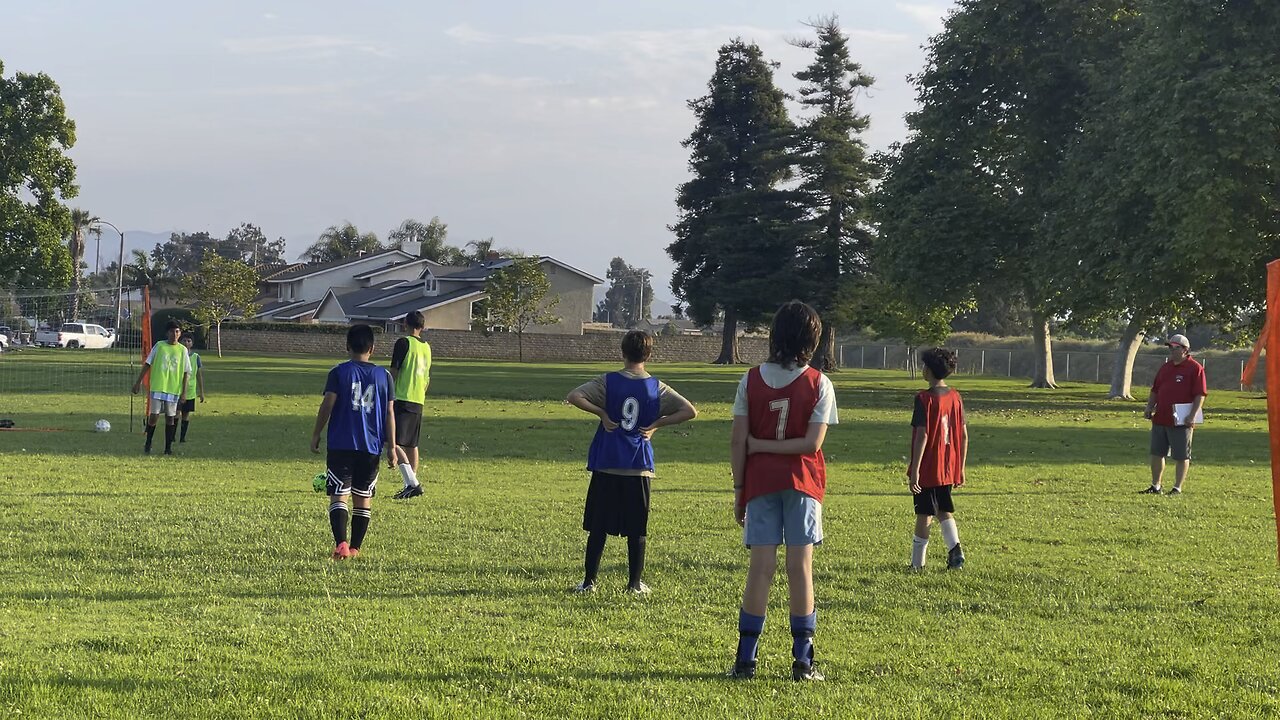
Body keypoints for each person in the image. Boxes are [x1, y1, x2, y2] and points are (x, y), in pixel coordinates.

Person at [728, 301, 837, 682]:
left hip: (759, 484)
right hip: (803, 485)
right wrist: (763, 448)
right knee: (800, 569)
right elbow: (811, 444)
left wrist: (740, 486)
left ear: (774, 335)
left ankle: (746, 660)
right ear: (813, 339)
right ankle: (803, 661)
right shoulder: (820, 383)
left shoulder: (750, 379)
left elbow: (739, 440)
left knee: (760, 570)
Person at [566, 330, 697, 594]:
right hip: (638, 464)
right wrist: (657, 424)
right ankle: (634, 584)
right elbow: (689, 411)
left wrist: (602, 412)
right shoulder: (656, 387)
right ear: (648, 355)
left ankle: (589, 581)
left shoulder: (608, 381)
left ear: (622, 352)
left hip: (607, 461)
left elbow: (574, 396)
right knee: (637, 528)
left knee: (598, 526)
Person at [310, 325, 396, 560]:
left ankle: (341, 544)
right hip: (371, 447)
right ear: (372, 348)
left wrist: (317, 432)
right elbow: (390, 412)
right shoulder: (384, 376)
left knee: (339, 494)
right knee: (362, 497)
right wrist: (392, 446)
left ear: (347, 346)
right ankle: (356, 547)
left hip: (341, 443)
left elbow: (327, 404)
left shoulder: (338, 372)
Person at [907, 347, 968, 571]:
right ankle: (955, 549)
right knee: (944, 509)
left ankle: (917, 564)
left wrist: (915, 469)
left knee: (924, 514)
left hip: (929, 466)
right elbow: (963, 435)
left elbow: (922, 435)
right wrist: (960, 467)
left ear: (929, 370)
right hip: (948, 465)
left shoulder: (923, 398)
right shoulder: (956, 396)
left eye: (924, 366)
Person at [1141, 334, 1207, 495]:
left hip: (1181, 420)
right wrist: (1150, 406)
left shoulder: (1195, 368)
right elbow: (1155, 389)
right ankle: (1156, 485)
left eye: (1175, 347)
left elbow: (1200, 394)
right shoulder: (1166, 367)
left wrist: (1192, 415)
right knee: (1157, 453)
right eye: (1170, 347)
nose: (1171, 350)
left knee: (1181, 455)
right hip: (1161, 417)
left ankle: (1177, 488)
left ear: (1185, 350)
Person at [389, 311, 432, 500]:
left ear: (405, 323)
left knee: (392, 441)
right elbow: (427, 378)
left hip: (402, 397)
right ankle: (411, 482)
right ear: (422, 327)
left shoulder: (403, 343)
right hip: (418, 398)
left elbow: (394, 370)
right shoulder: (427, 347)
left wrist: (387, 392)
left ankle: (412, 483)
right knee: (412, 444)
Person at [131, 320, 191, 456]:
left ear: (180, 333)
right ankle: (148, 442)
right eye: (171, 331)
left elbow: (187, 372)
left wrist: (184, 392)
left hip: (173, 388)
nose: (174, 334)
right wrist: (138, 382)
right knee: (154, 416)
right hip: (158, 386)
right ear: (167, 333)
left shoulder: (182, 350)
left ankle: (168, 448)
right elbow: (148, 364)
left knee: (170, 417)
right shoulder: (159, 346)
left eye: (177, 331)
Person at [178, 334, 205, 443]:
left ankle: (182, 437)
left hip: (190, 390)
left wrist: (201, 392)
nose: (186, 343)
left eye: (189, 341)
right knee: (175, 413)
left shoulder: (195, 357)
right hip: (177, 388)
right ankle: (172, 435)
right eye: (184, 340)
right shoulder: (178, 354)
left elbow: (199, 375)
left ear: (192, 343)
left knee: (185, 414)